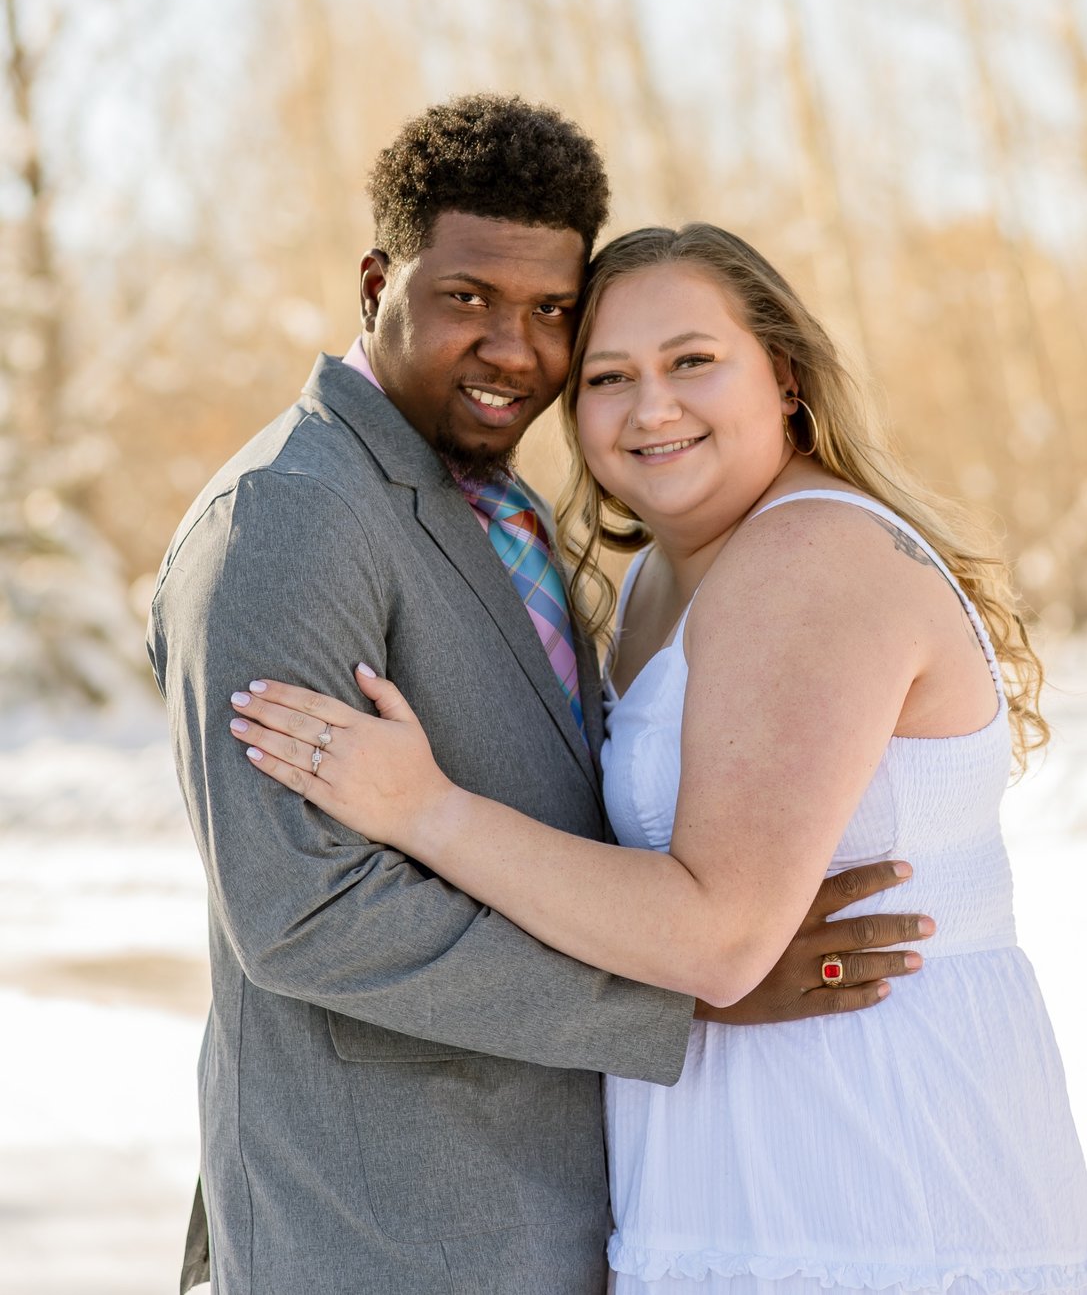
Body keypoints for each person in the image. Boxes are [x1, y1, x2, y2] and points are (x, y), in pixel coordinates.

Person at [148, 97, 933, 1295]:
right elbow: (306, 916)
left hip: (561, 1205)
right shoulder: (288, 519)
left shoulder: (506, 505)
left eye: (552, 312)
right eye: (468, 298)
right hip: (386, 1225)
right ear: (378, 284)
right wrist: (681, 999)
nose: (514, 349)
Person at [231, 221, 1087, 1294]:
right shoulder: (657, 578)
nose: (652, 409)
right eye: (609, 378)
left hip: (871, 1154)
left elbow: (722, 937)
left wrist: (426, 811)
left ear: (785, 374)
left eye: (693, 361)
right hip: (717, 1151)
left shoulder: (812, 553)